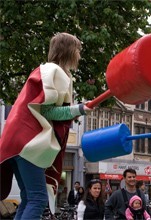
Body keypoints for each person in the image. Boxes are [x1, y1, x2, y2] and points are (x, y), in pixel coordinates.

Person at [0, 32, 93, 219]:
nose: (79, 56)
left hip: (14, 142)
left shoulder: (43, 70)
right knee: (37, 199)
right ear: (70, 51)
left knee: (28, 198)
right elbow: (47, 111)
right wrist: (79, 109)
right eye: (78, 51)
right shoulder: (56, 72)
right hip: (29, 143)